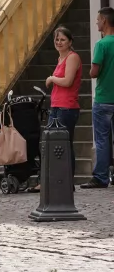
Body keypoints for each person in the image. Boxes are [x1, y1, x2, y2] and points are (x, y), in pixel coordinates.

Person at [45, 26, 82, 187]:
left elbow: (67, 81)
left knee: (64, 145)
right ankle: (57, 180)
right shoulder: (60, 58)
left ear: (70, 41)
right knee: (52, 144)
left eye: (62, 39)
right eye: (57, 39)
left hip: (67, 107)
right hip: (56, 106)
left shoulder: (72, 57)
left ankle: (67, 182)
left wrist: (52, 78)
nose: (59, 42)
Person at [83, 8, 114, 189]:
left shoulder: (102, 45)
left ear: (104, 20)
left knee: (102, 140)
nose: (96, 23)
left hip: (103, 99)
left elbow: (94, 72)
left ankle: (101, 177)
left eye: (97, 20)